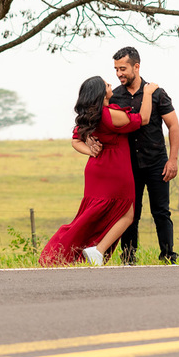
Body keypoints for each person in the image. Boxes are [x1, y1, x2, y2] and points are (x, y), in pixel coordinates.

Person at [75, 46, 179, 264]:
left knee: (161, 211)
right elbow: (96, 121)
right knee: (131, 214)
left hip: (156, 162)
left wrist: (173, 159)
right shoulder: (114, 97)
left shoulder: (157, 93)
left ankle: (168, 255)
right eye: (116, 69)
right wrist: (89, 140)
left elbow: (173, 126)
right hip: (127, 166)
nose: (119, 74)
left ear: (136, 66)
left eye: (122, 68)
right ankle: (128, 258)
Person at [41, 76, 157, 266]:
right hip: (116, 168)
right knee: (128, 215)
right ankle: (97, 250)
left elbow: (75, 140)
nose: (111, 85)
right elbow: (143, 119)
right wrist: (148, 93)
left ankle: (81, 251)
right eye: (107, 85)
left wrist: (91, 151)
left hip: (96, 168)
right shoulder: (110, 114)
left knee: (91, 215)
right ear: (101, 93)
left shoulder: (90, 116)